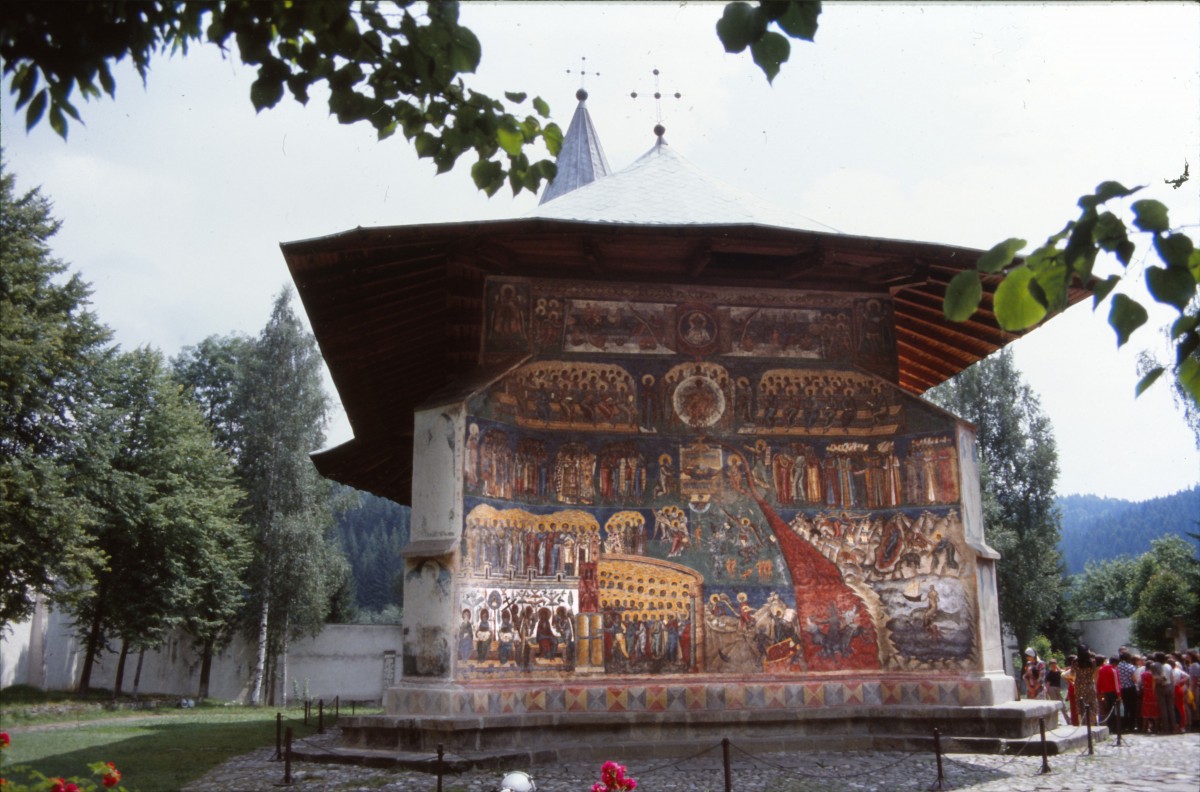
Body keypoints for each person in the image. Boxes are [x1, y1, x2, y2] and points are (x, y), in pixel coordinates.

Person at [1074, 645, 1098, 726]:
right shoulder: (1092, 661)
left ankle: (1084, 723)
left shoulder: (1075, 661)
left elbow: (1072, 673)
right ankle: (1093, 722)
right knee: (1092, 704)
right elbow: (1095, 673)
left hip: (1079, 686)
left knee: (1082, 705)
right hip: (1090, 684)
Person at [1116, 651, 1140, 733]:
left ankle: (1124, 725)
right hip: (1130, 688)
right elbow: (1134, 679)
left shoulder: (1117, 667)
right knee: (1132, 708)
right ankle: (1131, 725)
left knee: (1124, 708)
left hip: (1121, 689)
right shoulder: (1131, 667)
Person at [1096, 655, 1120, 727]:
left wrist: (1099, 692)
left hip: (1105, 692)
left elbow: (1099, 682)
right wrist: (1119, 695)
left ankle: (1109, 725)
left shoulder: (1101, 669)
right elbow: (1117, 683)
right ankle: (1115, 726)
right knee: (1115, 710)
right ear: (1115, 663)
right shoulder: (1114, 670)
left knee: (1108, 709)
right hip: (1114, 692)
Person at [1044, 657, 1065, 724]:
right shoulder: (1049, 673)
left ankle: (1067, 719)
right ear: (1050, 666)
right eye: (1052, 665)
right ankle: (1056, 720)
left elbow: (1063, 672)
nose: (1053, 666)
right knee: (1055, 704)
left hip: (1058, 688)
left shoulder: (1058, 672)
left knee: (1062, 703)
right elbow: (1047, 683)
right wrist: (1046, 692)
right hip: (1051, 688)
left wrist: (1058, 668)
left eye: (1054, 664)